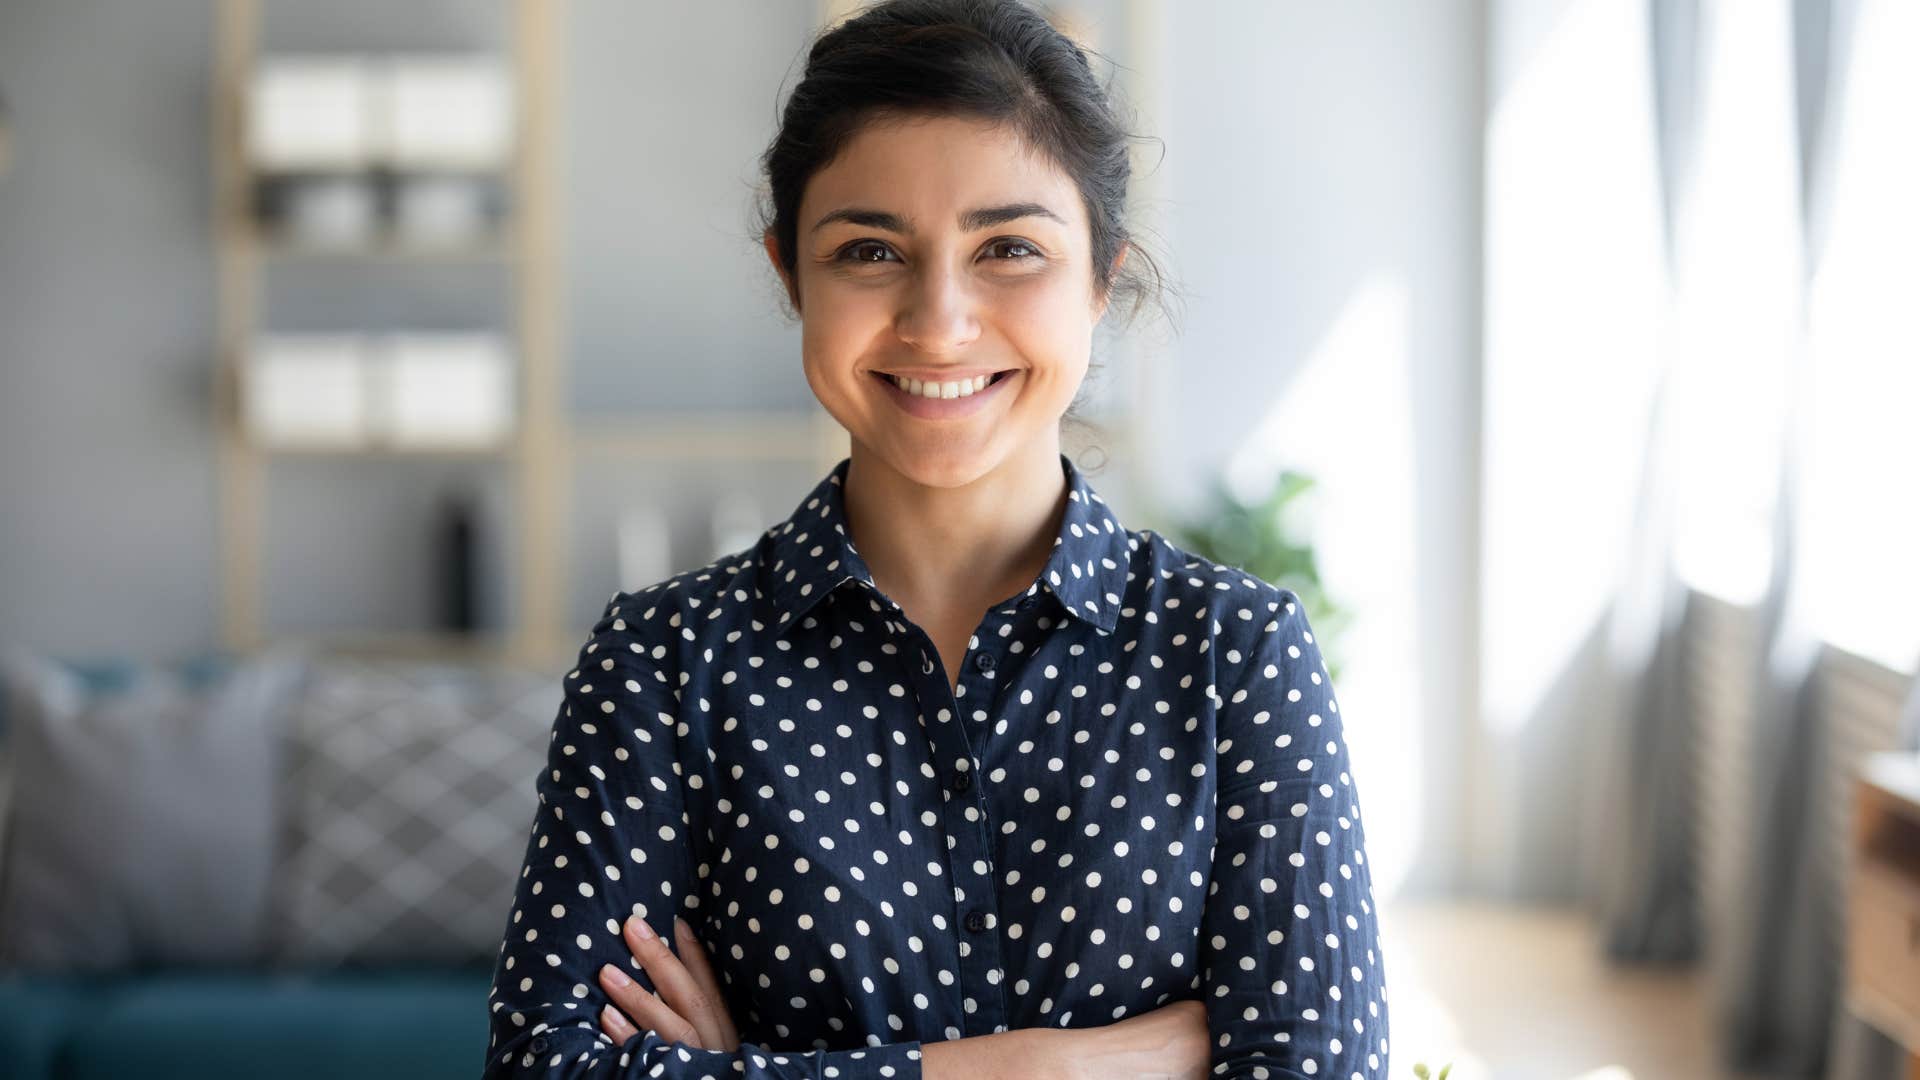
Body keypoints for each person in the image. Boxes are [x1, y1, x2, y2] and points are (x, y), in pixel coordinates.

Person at [480, 0, 1390, 1076]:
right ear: (790, 275)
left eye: (1008, 247)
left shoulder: (1238, 656)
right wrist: (1049, 1067)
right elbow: (546, 1066)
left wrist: (747, 1065)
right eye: (870, 250)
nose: (939, 320)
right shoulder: (663, 663)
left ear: (1102, 275)